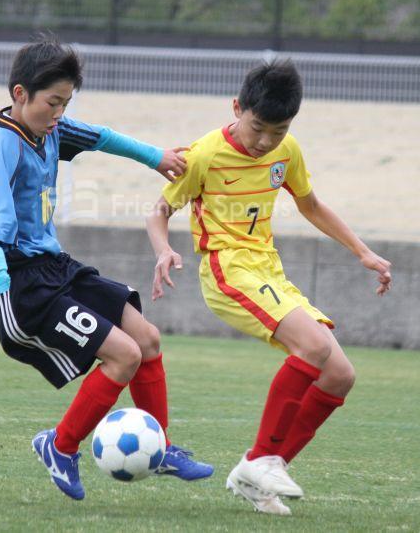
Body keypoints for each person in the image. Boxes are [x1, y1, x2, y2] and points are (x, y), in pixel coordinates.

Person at [0, 36, 213, 501]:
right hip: (24, 286)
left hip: (56, 267)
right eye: (52, 102)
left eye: (65, 103)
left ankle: (159, 447)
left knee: (147, 339)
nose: (59, 113)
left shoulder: (50, 130)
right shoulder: (3, 147)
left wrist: (156, 157)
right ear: (20, 93)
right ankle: (60, 446)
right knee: (125, 356)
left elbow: (100, 136)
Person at [146, 60, 393, 516]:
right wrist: (163, 250)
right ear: (237, 108)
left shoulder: (287, 151)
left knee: (340, 375)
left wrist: (363, 252)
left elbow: (310, 204)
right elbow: (159, 211)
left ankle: (256, 474)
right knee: (313, 346)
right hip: (227, 269)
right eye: (257, 128)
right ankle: (262, 459)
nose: (264, 142)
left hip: (269, 271)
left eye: (277, 131)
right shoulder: (203, 154)